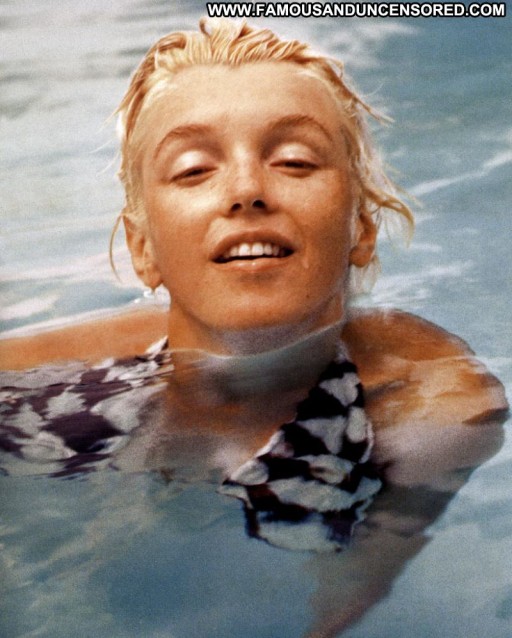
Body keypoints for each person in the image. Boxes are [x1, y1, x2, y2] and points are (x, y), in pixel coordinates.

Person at [0, 18, 508, 634]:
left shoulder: (425, 409)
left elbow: (344, 598)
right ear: (142, 249)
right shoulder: (66, 392)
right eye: (193, 170)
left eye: (294, 160)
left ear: (361, 228)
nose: (246, 190)